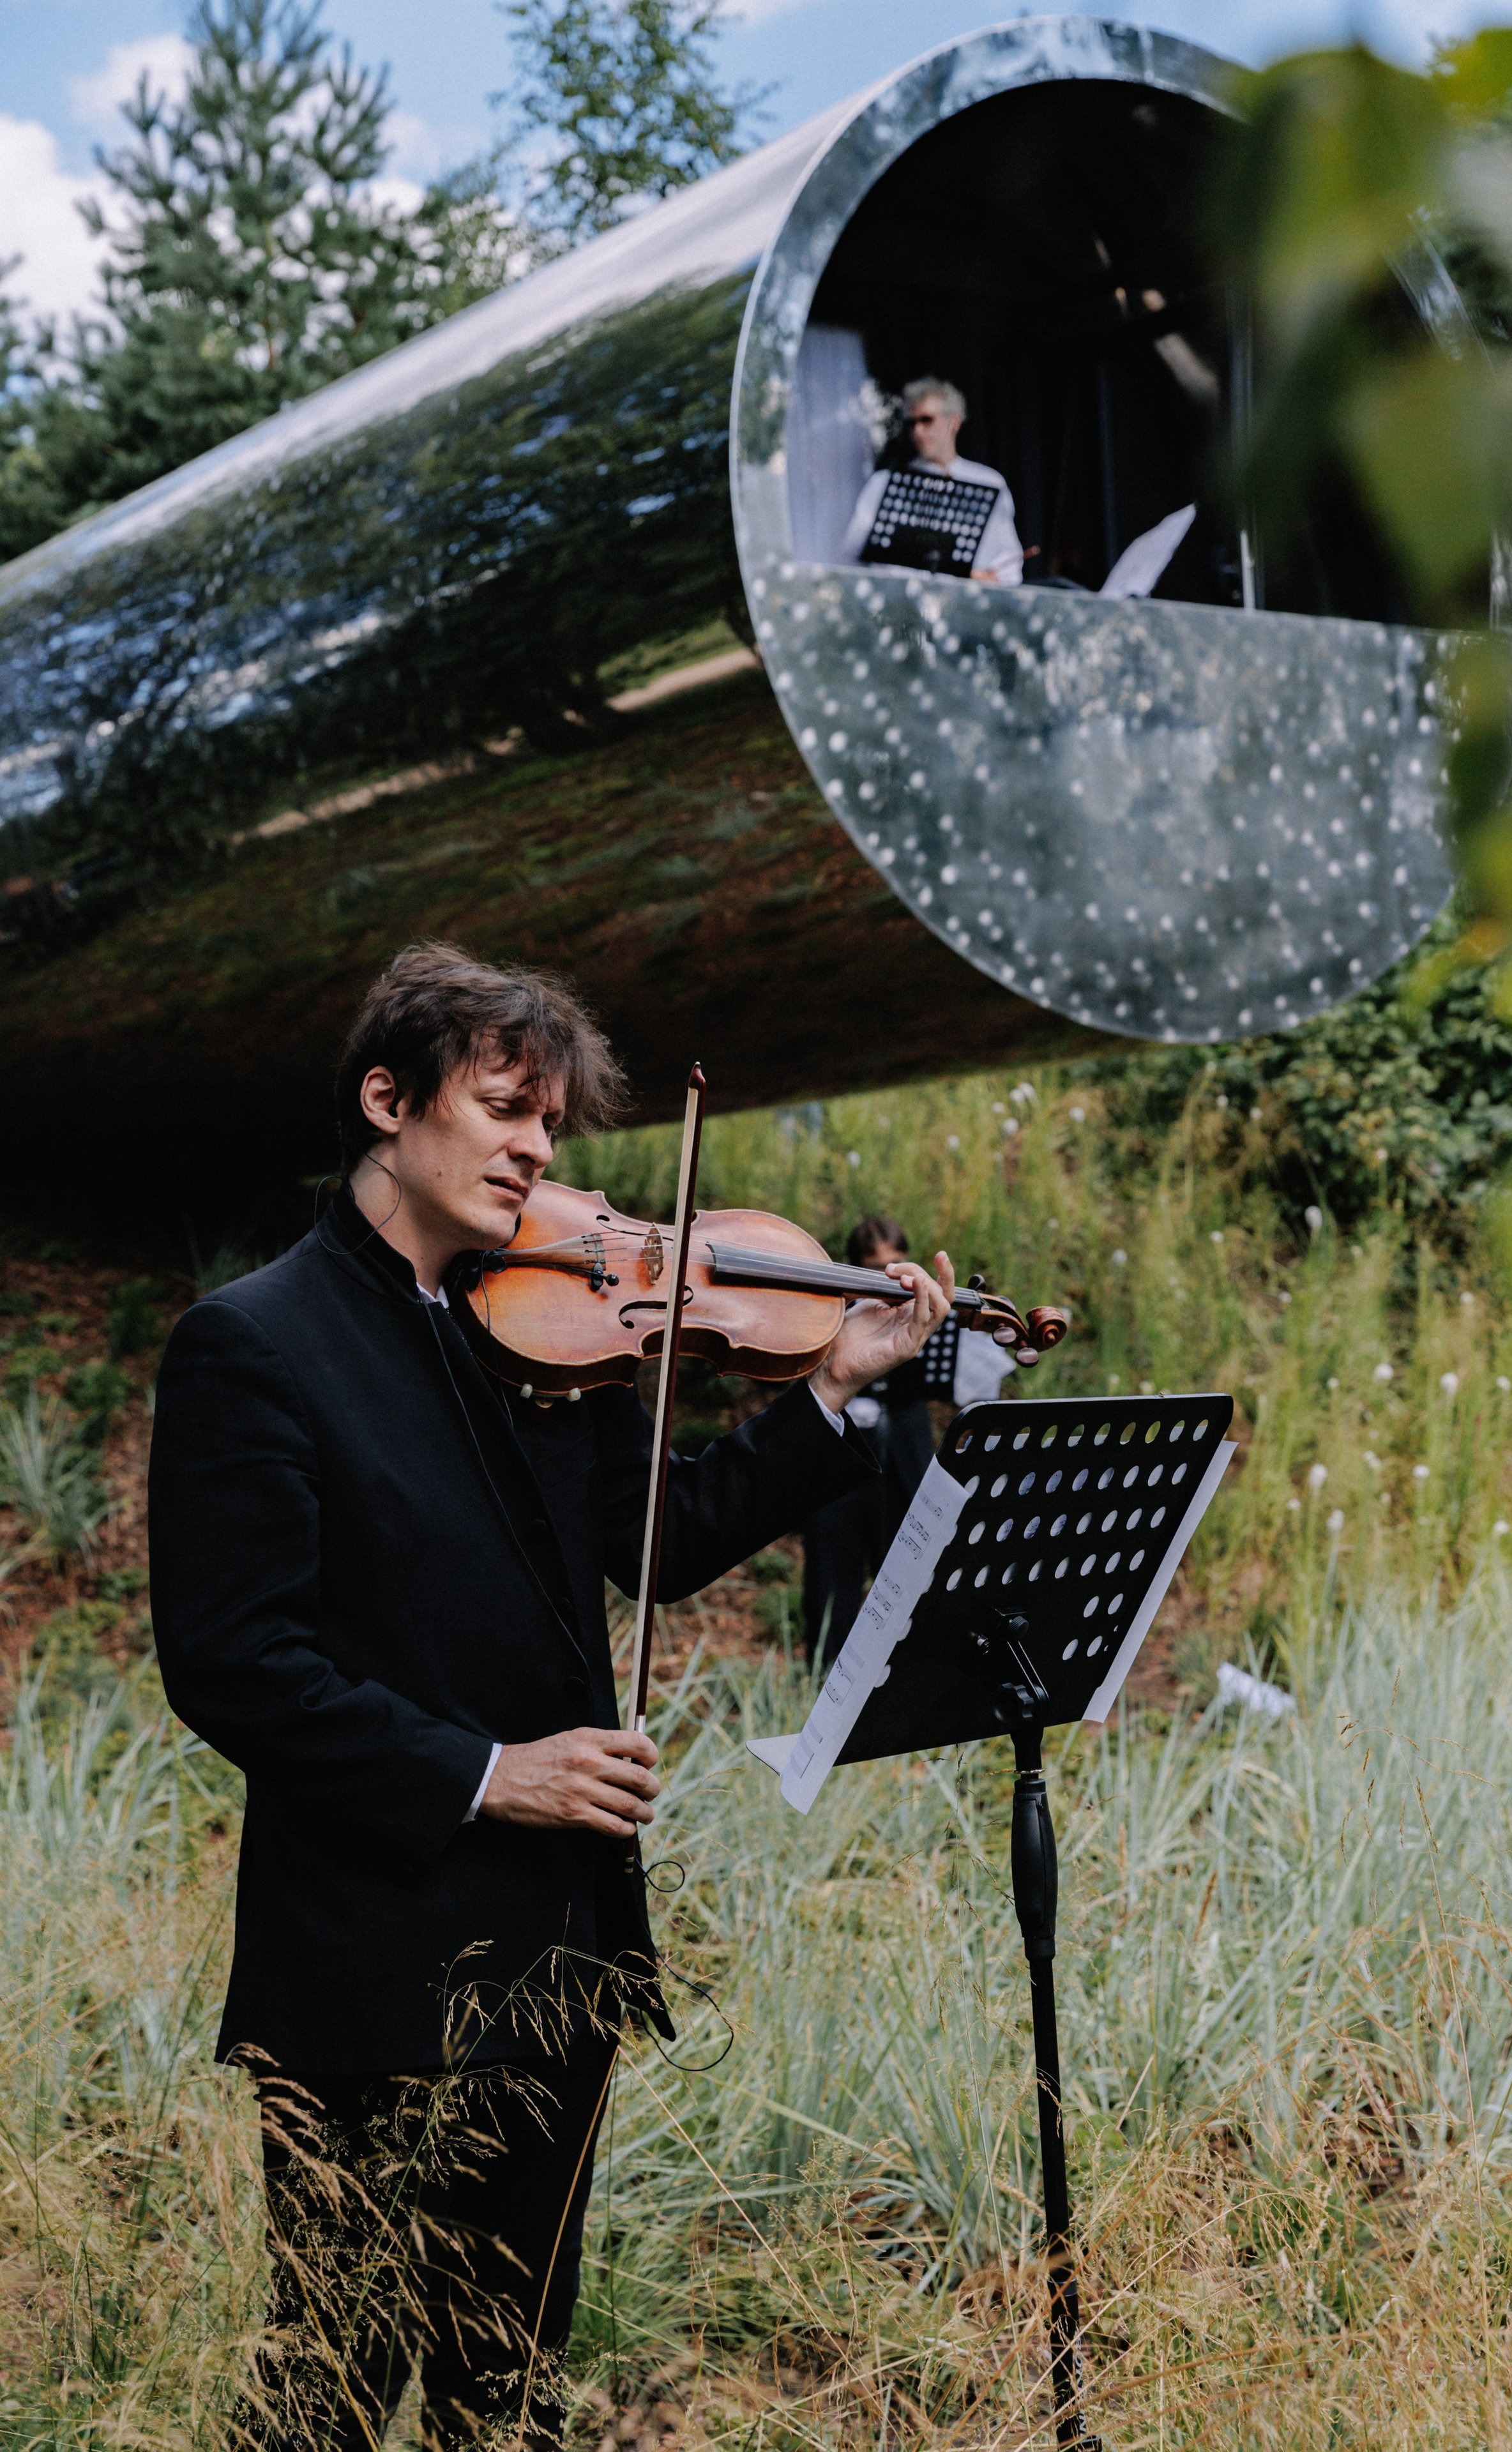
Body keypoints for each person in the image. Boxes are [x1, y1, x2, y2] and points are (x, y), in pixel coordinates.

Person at [146, 942, 953, 2451]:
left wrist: (835, 1383)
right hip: (372, 1964)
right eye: (505, 1107)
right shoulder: (254, 1343)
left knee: (502, 2384)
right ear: (387, 1099)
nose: (535, 1148)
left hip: (558, 1953)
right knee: (327, 2385)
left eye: (549, 1125)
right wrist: (487, 1770)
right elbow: (233, 1662)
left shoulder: (528, 1338)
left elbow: (662, 1532)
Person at [800, 1216, 1014, 1670]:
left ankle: (903, 1670)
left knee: (906, 1562)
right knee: (831, 1566)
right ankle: (824, 1674)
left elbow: (971, 1382)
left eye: (897, 1263)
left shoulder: (923, 1310)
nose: (890, 1276)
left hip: (901, 1445)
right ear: (855, 1268)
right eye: (876, 1267)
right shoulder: (831, 1313)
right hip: (840, 1451)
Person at [839, 377, 1024, 587]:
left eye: (927, 420)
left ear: (954, 421)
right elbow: (852, 552)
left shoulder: (989, 481)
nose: (918, 431)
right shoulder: (884, 482)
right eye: (912, 423)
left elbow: (1008, 562)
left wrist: (989, 578)